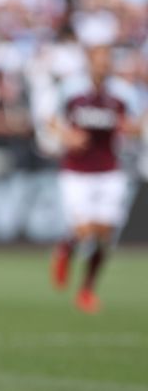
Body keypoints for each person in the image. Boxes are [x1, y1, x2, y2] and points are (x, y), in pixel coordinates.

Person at [49, 45, 142, 313]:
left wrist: (132, 129)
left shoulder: (122, 93)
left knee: (104, 235)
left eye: (106, 60)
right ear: (89, 62)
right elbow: (51, 120)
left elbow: (135, 125)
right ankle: (66, 248)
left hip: (109, 170)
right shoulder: (71, 89)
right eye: (98, 60)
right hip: (76, 171)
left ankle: (87, 290)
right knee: (84, 232)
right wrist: (67, 136)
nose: (102, 65)